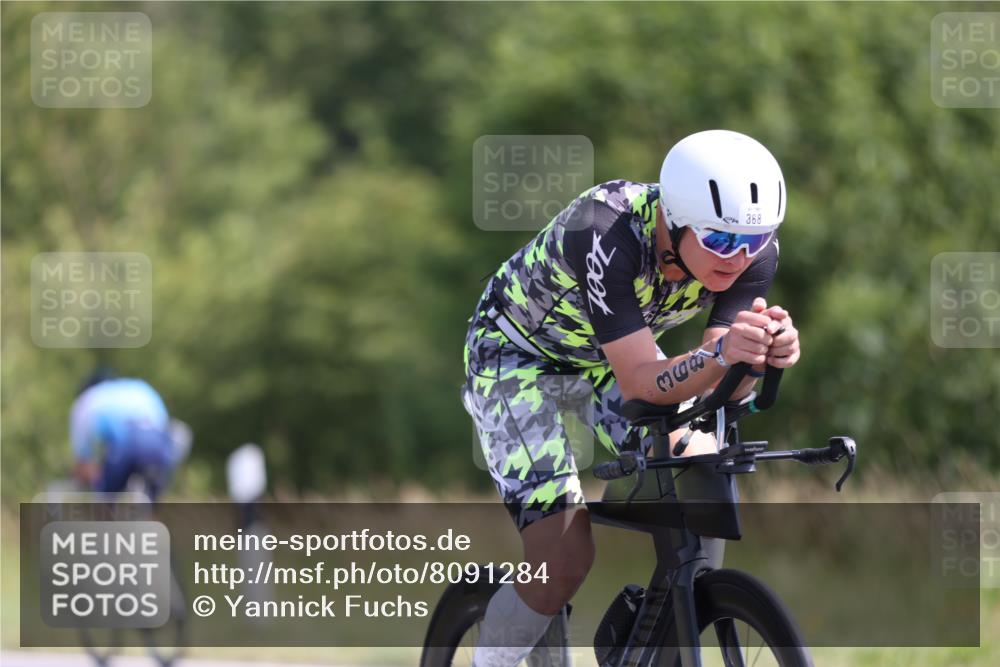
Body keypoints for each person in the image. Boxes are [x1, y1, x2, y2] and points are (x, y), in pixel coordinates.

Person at [461, 130, 801, 666]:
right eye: (719, 242)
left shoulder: (751, 249)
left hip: (606, 359)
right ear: (676, 218)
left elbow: (719, 374)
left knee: (701, 472)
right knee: (564, 557)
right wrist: (723, 358)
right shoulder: (606, 226)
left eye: (752, 242)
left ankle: (661, 633)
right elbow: (643, 381)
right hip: (518, 357)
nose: (737, 259)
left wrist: (760, 354)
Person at [70, 369, 181, 500]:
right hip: (159, 448)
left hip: (126, 446)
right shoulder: (141, 388)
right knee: (150, 503)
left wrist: (93, 480)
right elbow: (164, 427)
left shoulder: (87, 399)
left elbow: (83, 461)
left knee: (105, 502)